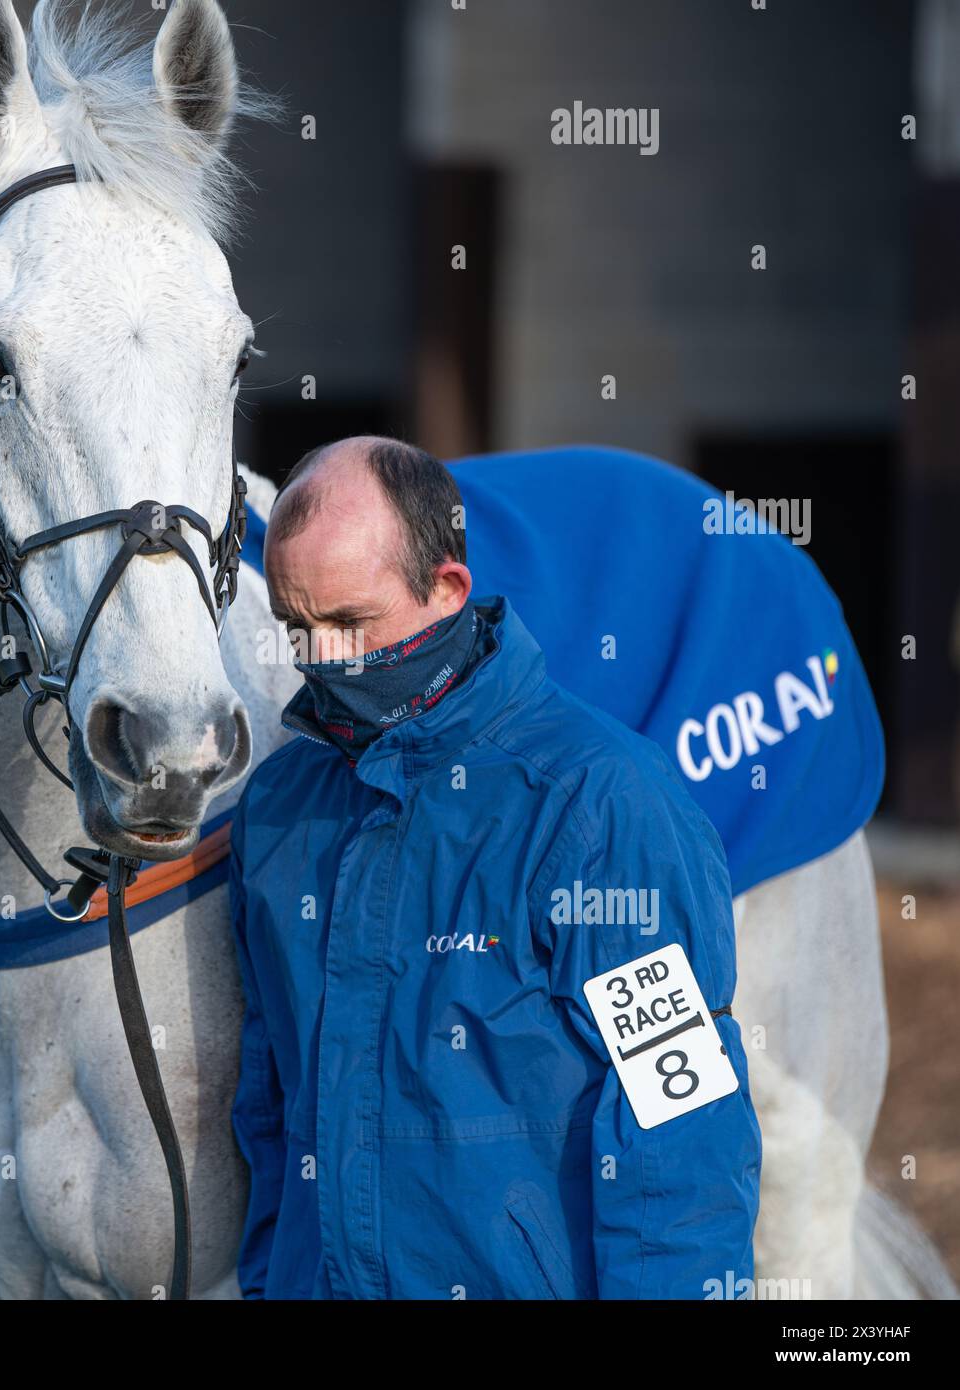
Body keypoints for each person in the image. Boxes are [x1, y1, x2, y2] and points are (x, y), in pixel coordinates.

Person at [226, 435, 762, 1300]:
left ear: (447, 588)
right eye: (298, 628)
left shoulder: (601, 808)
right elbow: (268, 1110)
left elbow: (680, 1125)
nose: (320, 661)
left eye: (350, 623)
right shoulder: (280, 810)